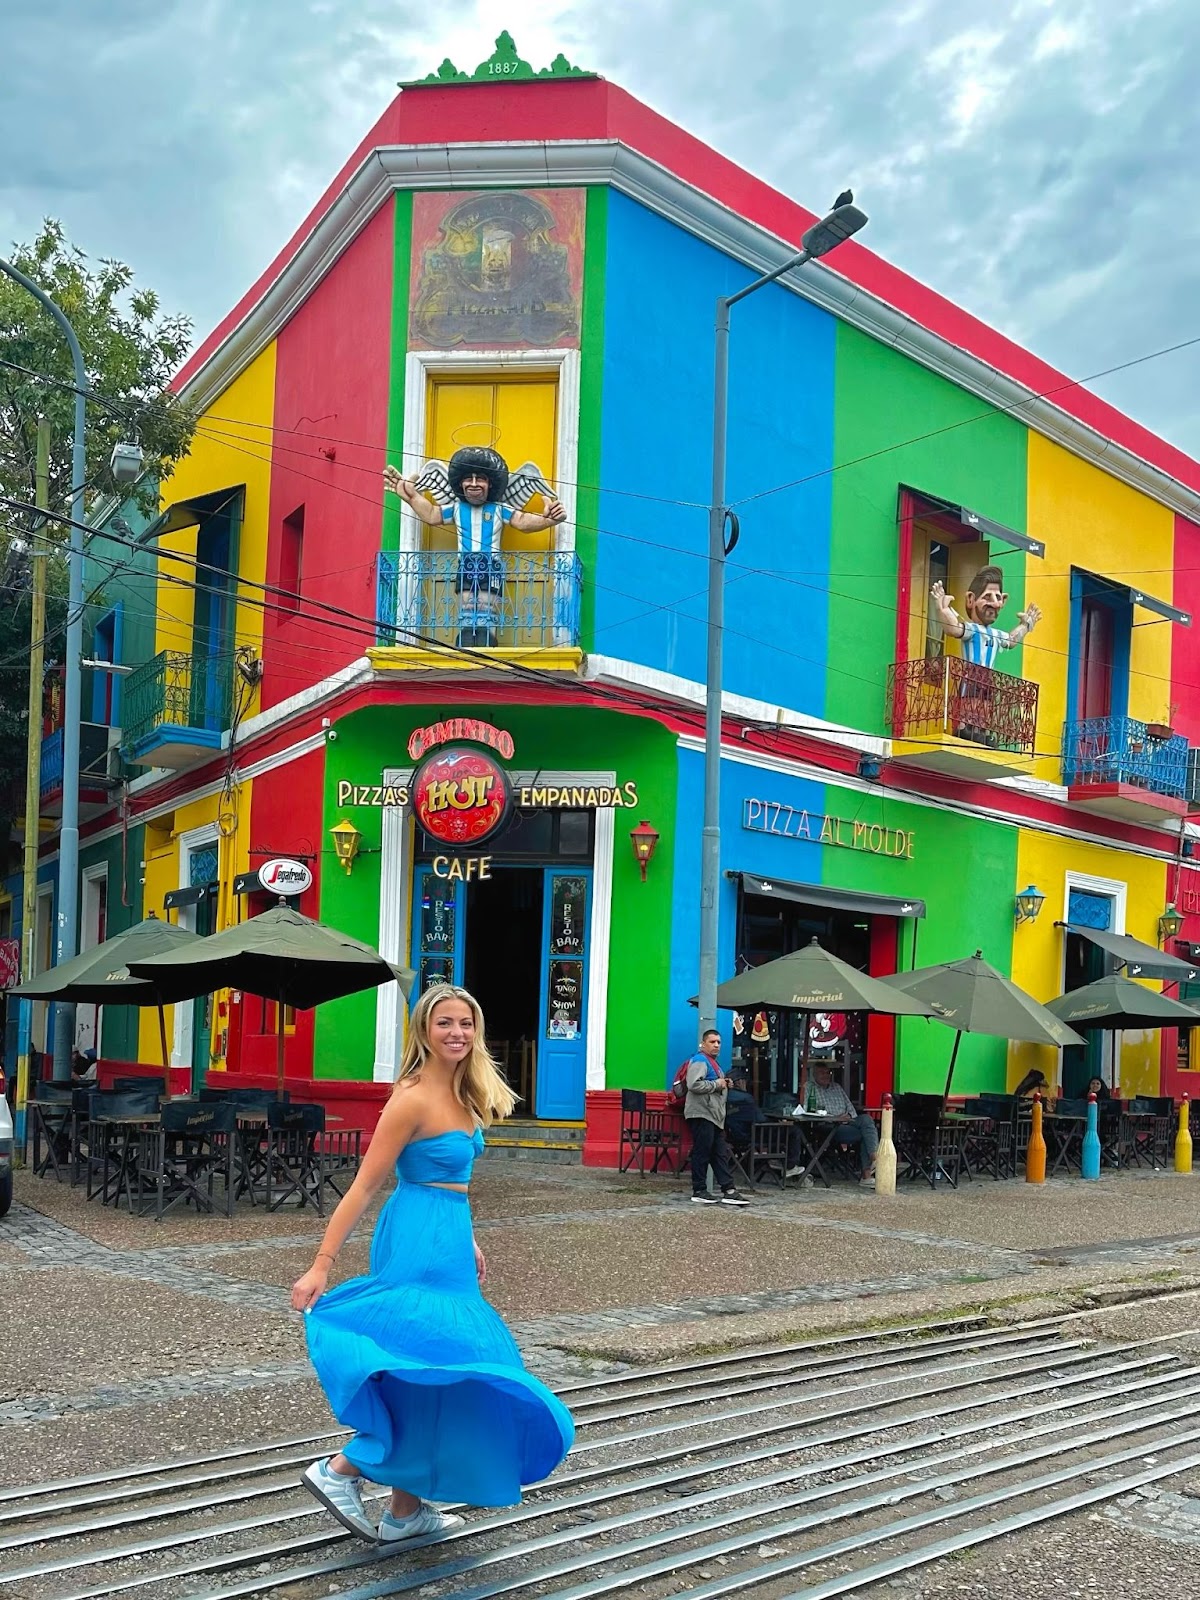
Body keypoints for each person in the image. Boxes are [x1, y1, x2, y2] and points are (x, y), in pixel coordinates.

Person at [291, 984, 574, 1543]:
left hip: (448, 1235)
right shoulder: (412, 1097)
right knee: (439, 1359)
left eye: (466, 1024)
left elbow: (454, 1184)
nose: (457, 1034)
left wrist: (465, 1240)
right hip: (416, 1238)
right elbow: (364, 1187)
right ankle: (341, 1469)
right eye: (445, 1023)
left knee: (431, 1367)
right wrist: (321, 1264)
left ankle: (404, 1512)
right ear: (424, 1030)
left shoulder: (467, 1094)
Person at [384, 448, 566, 647]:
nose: (473, 484)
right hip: (466, 565)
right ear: (460, 483)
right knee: (468, 604)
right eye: (468, 479)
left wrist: (548, 520)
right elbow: (431, 514)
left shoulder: (498, 509)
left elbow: (522, 521)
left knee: (487, 604)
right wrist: (410, 497)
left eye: (480, 478)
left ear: (490, 483)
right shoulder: (456, 509)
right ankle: (467, 637)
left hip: (491, 566)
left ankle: (487, 637)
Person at [684, 1029, 749, 1207]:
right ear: (703, 1044)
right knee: (702, 1151)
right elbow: (693, 1084)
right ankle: (699, 1189)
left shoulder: (714, 1064)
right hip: (702, 1112)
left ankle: (728, 1190)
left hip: (714, 1115)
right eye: (712, 1042)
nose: (716, 1045)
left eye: (719, 1042)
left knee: (719, 1152)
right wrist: (717, 1084)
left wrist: (724, 1083)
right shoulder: (699, 1061)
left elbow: (712, 1085)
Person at [795, 1063, 878, 1183]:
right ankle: (867, 1174)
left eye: (828, 1072)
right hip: (828, 1124)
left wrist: (848, 1116)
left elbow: (850, 1108)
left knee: (866, 1119)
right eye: (822, 1073)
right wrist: (836, 1118)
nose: (826, 1075)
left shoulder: (837, 1087)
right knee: (866, 1134)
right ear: (814, 1075)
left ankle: (873, 1157)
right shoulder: (809, 1087)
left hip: (848, 1120)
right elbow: (808, 1110)